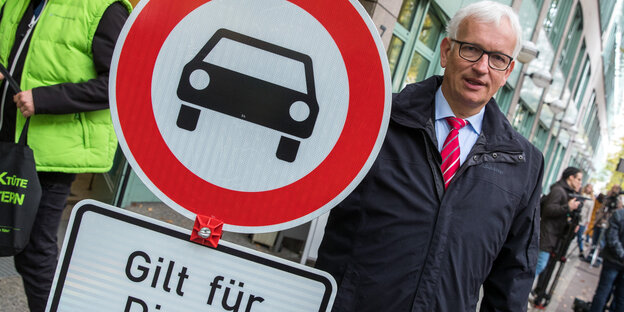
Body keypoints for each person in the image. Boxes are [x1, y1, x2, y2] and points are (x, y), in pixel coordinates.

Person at [315, 1, 544, 311]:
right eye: (471, 49)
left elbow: (514, 276)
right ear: (447, 51)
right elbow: (302, 186)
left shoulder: (522, 163)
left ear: (508, 71)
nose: (481, 67)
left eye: (498, 59)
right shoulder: (380, 119)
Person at [0, 1, 131, 311]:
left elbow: (117, 82)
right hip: (7, 142)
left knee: (33, 253)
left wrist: (42, 99)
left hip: (51, 156)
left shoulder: (104, 9)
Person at [534, 167, 582, 277]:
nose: (580, 182)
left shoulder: (565, 191)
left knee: (539, 265)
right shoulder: (558, 190)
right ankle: (519, 289)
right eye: (578, 179)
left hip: (552, 236)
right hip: (547, 234)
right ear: (571, 177)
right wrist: (568, 207)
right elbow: (548, 210)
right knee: (540, 264)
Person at [589, 207, 624, 312]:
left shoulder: (618, 214)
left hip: (612, 260)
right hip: (613, 261)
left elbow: (612, 239)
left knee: (603, 292)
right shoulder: (619, 214)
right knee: (619, 298)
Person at [578, 184, 595, 257]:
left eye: (590, 188)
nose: (588, 189)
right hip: (577, 216)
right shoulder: (581, 194)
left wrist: (587, 221)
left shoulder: (591, 199)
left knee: (579, 235)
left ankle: (581, 250)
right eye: (588, 187)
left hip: (583, 219)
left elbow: (590, 211)